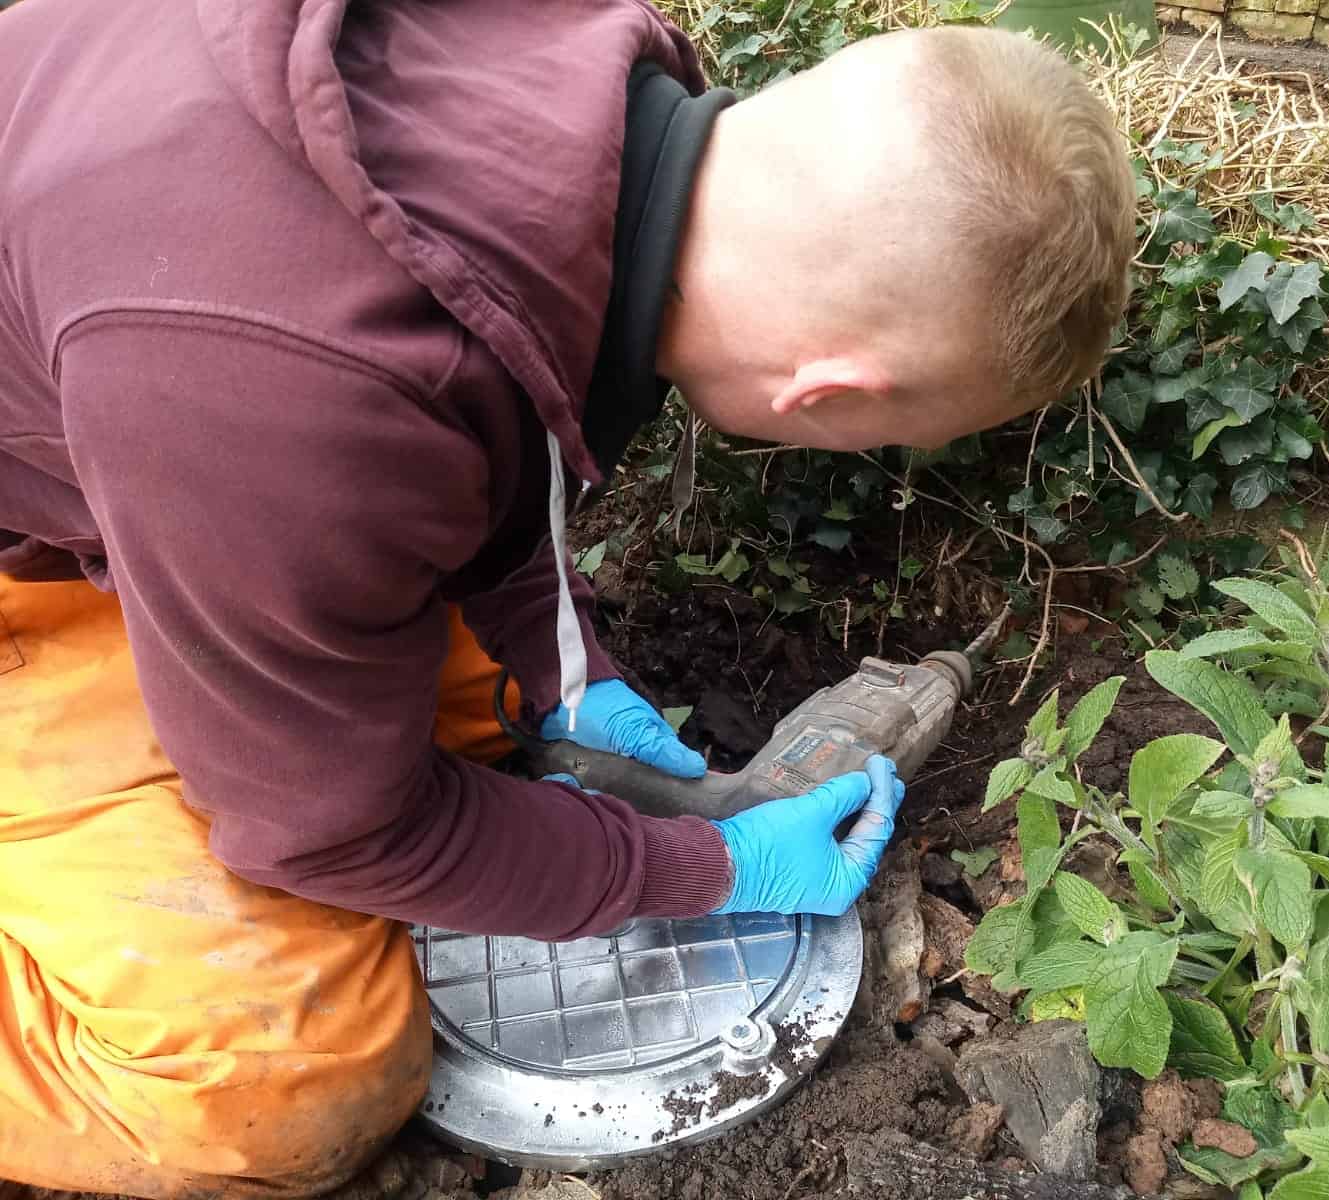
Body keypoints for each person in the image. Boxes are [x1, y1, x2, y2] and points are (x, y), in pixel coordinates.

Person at [0, 0, 1135, 1194]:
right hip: (114, 495)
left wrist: (566, 673)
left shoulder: (601, 102)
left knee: (473, 714)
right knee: (276, 1076)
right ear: (830, 396)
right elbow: (330, 831)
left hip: (150, 445)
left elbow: (489, 403)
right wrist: (706, 872)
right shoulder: (292, 392)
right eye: (896, 439)